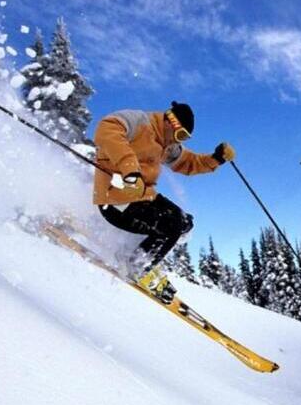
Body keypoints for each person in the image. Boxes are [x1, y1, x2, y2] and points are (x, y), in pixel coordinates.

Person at [92, 101, 235, 303]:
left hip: (142, 197)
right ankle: (136, 265)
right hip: (115, 197)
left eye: (184, 138)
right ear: (170, 121)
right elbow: (106, 129)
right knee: (171, 225)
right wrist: (130, 170)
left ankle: (136, 254)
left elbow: (188, 162)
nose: (179, 141)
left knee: (184, 222)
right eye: (180, 135)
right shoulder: (140, 122)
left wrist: (216, 159)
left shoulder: (166, 145)